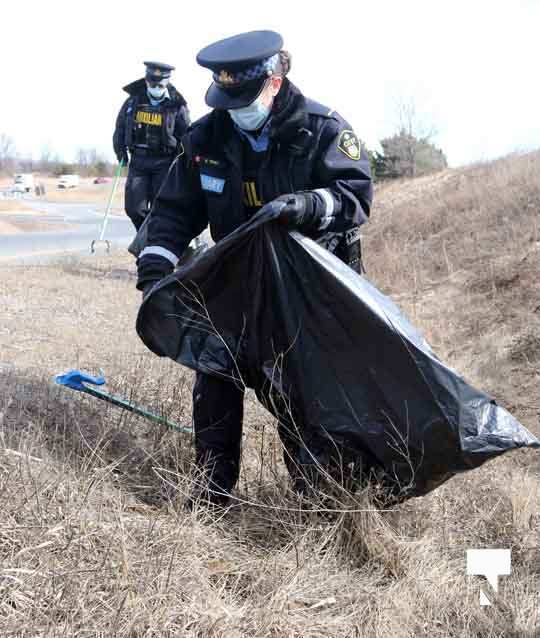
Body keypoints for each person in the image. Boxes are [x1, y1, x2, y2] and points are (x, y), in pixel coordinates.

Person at [136, 31, 373, 506]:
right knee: (214, 372)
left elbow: (355, 196)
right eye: (228, 99)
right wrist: (153, 275)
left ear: (275, 80)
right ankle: (210, 492)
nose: (237, 110)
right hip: (238, 280)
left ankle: (317, 500)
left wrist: (305, 205)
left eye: (246, 99)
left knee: (300, 394)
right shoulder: (206, 137)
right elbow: (172, 214)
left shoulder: (322, 129)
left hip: (310, 286)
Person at [113, 61, 190, 231]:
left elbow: (186, 136)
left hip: (165, 163)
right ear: (146, 81)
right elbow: (120, 128)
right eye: (152, 83)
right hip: (139, 161)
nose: (156, 87)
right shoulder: (133, 102)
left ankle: (157, 242)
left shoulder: (177, 105)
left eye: (160, 84)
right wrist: (120, 152)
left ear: (167, 82)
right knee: (134, 208)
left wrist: (185, 162)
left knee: (161, 208)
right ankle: (147, 238)